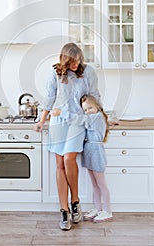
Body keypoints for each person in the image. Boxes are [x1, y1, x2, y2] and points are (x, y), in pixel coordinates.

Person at [34, 43, 101, 231]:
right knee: (60, 165)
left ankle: (75, 201)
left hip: (78, 121)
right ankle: (64, 211)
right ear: (65, 59)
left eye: (78, 59)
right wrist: (41, 121)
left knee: (69, 158)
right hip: (58, 122)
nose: (76, 63)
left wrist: (102, 117)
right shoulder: (55, 73)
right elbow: (49, 98)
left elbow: (94, 95)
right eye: (72, 60)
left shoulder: (87, 72)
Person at [66, 94, 113, 223]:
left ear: (97, 106)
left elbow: (79, 120)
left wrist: (62, 113)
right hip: (89, 151)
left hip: (96, 152)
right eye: (85, 110)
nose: (88, 112)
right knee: (95, 184)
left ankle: (107, 211)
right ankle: (98, 209)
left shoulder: (96, 117)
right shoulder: (93, 117)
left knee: (101, 183)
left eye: (90, 108)